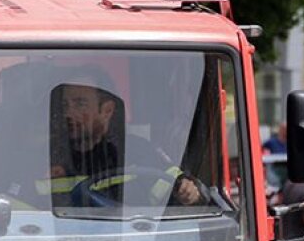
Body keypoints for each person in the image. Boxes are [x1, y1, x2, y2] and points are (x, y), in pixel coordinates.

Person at [51, 76, 203, 207]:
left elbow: (182, 190)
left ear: (107, 110)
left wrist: (189, 193)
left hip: (132, 238)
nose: (68, 114)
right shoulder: (48, 155)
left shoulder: (137, 151)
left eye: (80, 104)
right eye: (65, 105)